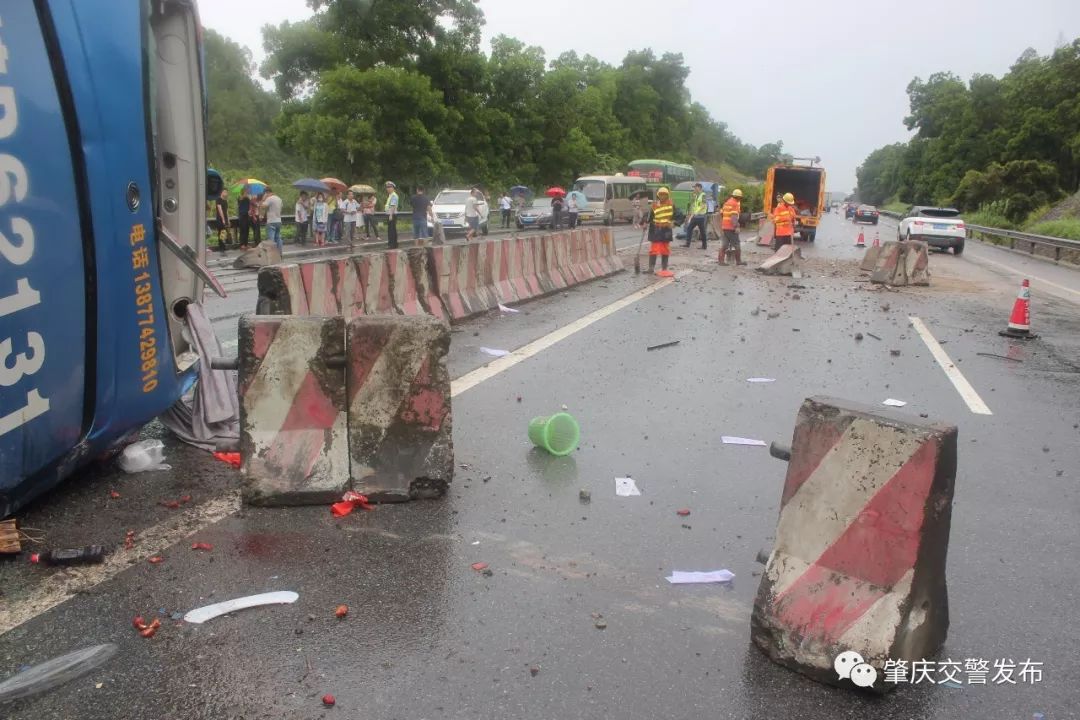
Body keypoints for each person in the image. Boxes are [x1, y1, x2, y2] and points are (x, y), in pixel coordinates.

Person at [647, 186, 675, 274]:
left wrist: (675, 223)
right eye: (661, 194)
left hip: (666, 230)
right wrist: (644, 222)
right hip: (655, 230)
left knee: (665, 249)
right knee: (654, 249)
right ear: (658, 195)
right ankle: (651, 268)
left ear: (667, 195)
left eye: (664, 195)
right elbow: (650, 216)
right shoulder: (654, 205)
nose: (662, 196)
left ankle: (664, 268)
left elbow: (679, 216)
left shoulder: (671, 205)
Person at [718, 188, 746, 266]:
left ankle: (720, 261)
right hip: (731, 228)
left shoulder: (726, 203)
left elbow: (721, 213)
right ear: (738, 197)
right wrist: (736, 226)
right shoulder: (735, 204)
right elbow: (734, 217)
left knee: (725, 244)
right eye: (740, 197)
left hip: (724, 227)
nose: (740, 199)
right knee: (737, 244)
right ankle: (738, 261)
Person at [684, 182, 708, 250]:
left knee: (702, 231)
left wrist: (696, 212)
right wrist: (691, 213)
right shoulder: (696, 195)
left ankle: (704, 246)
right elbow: (694, 205)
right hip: (695, 216)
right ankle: (687, 243)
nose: (694, 188)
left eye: (695, 187)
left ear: (699, 188)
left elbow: (703, 205)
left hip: (700, 216)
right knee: (689, 228)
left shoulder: (703, 195)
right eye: (694, 187)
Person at [261, 186, 283, 254]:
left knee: (271, 240)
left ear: (266, 193)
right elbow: (280, 209)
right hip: (278, 220)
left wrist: (263, 199)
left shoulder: (269, 198)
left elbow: (262, 206)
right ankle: (279, 254)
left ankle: (272, 255)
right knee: (278, 238)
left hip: (271, 221)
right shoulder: (279, 199)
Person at [384, 181, 399, 248]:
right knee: (392, 230)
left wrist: (390, 215)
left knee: (391, 230)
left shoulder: (393, 195)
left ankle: (391, 245)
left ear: (393, 188)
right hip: (391, 214)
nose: (388, 188)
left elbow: (392, 206)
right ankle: (394, 244)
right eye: (387, 187)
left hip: (391, 214)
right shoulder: (390, 195)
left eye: (390, 187)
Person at [236, 185, 252, 249]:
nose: (248, 190)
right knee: (242, 230)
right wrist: (244, 196)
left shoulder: (248, 198)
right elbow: (240, 199)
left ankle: (246, 243)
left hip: (247, 215)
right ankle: (242, 244)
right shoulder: (240, 197)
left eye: (248, 189)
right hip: (242, 215)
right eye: (247, 189)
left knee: (247, 230)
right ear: (244, 190)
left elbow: (250, 205)